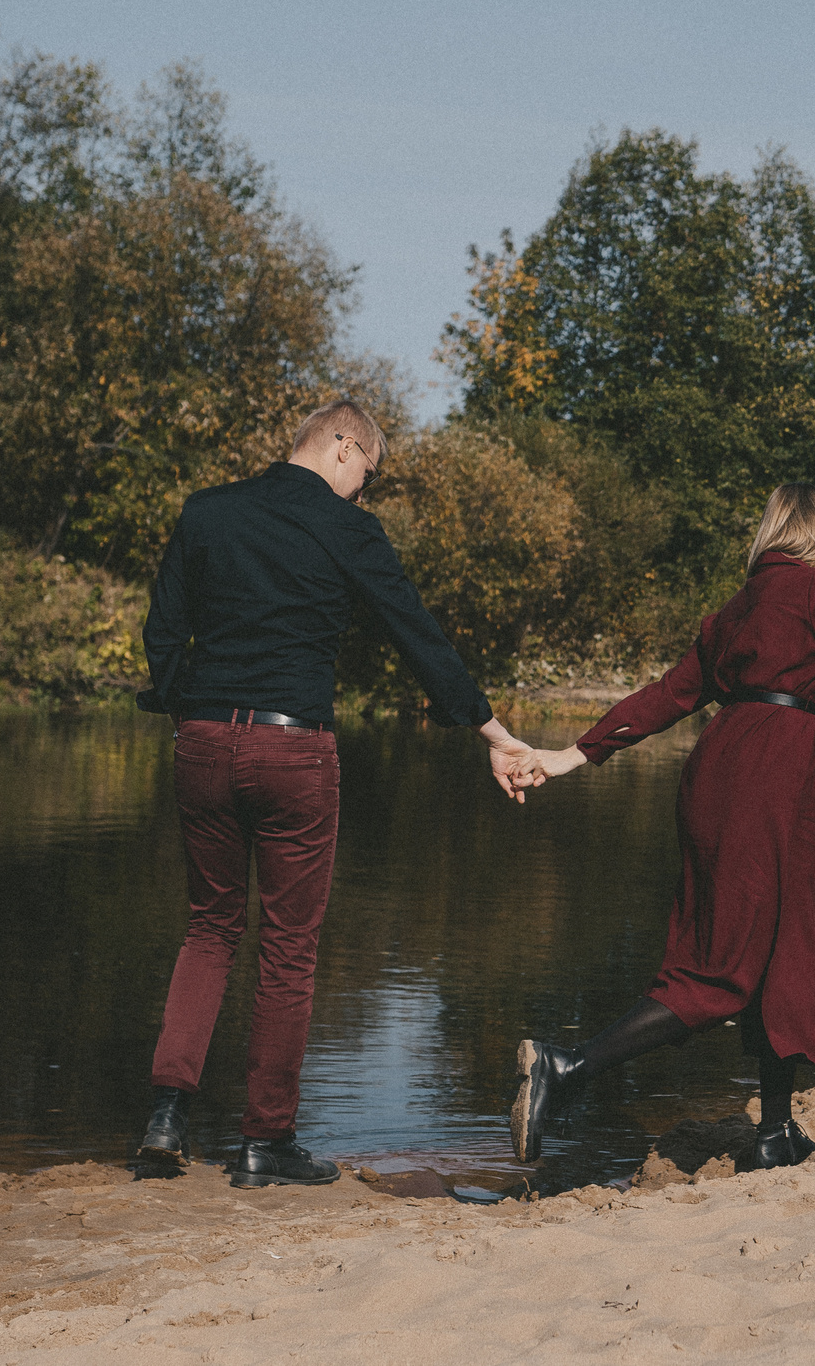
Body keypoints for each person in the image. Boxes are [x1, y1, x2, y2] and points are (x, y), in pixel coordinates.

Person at [505, 484, 815, 1172]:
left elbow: (669, 695)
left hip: (730, 771)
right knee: (720, 969)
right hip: (777, 778)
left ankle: (773, 1133)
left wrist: (571, 754)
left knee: (787, 953)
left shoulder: (739, 607)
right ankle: (568, 1066)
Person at [133, 398, 541, 1188]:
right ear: (342, 445)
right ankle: (264, 1142)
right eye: (369, 475)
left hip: (205, 743)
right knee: (287, 947)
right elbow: (414, 630)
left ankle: (166, 1115)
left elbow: (161, 632)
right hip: (294, 751)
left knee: (209, 927)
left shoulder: (207, 512)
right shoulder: (348, 529)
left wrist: (193, 707)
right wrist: (492, 732)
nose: (365, 493)